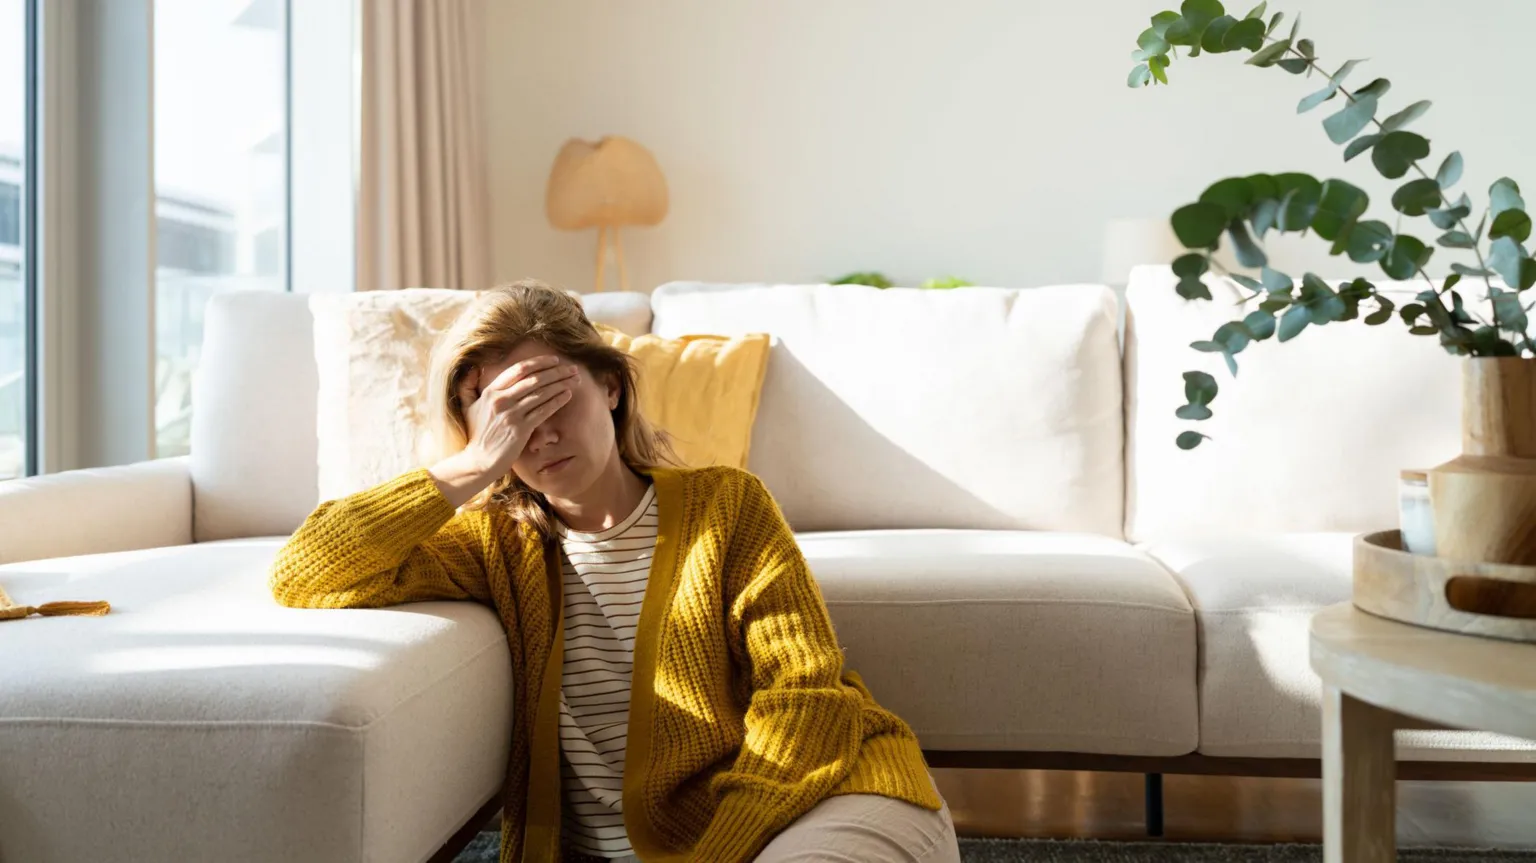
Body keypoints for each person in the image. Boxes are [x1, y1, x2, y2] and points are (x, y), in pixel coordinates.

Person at [269, 280, 961, 863]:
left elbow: (806, 696)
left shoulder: (727, 504)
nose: (537, 432)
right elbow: (306, 570)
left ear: (609, 385)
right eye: (508, 414)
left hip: (819, 795)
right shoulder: (491, 544)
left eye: (549, 394)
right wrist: (474, 465)